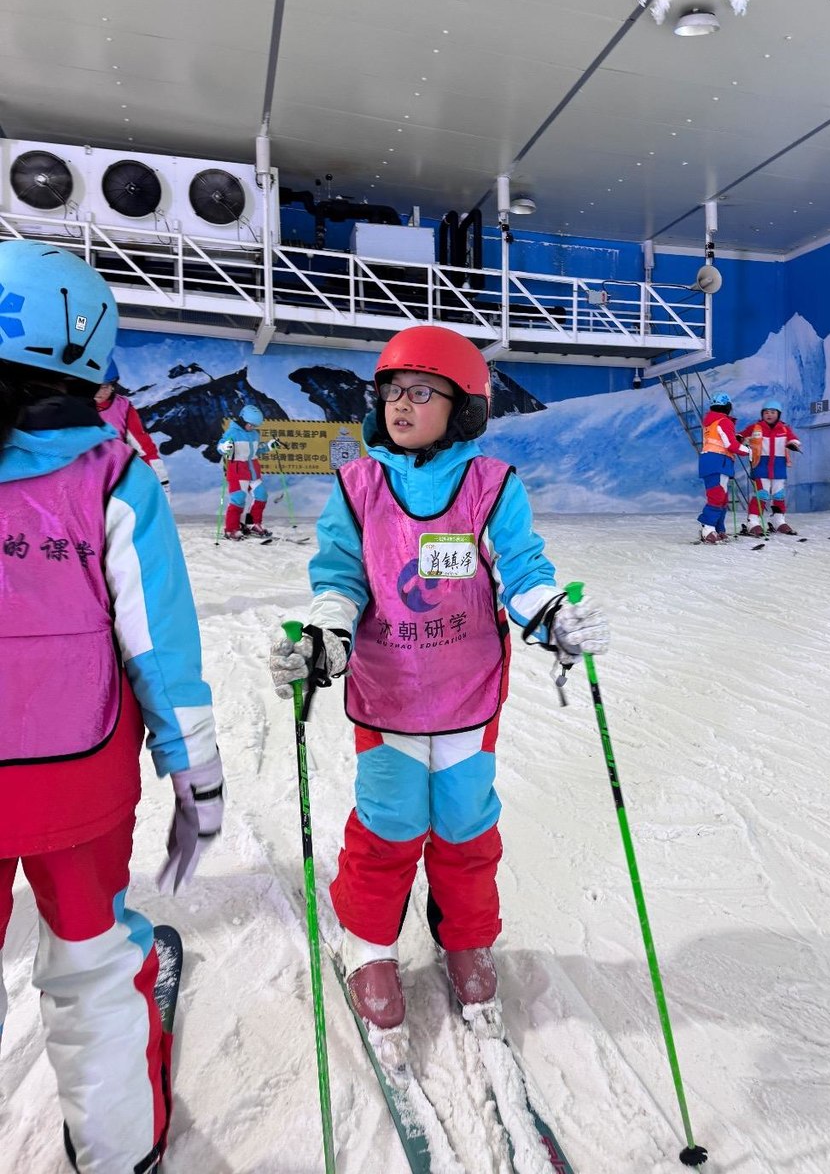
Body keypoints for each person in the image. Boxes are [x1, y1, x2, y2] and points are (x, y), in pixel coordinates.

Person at [268, 326, 609, 1035]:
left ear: (464, 408)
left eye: (422, 392)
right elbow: (340, 578)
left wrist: (553, 615)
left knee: (465, 824)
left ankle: (467, 938)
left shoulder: (491, 487)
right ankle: (370, 945)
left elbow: (522, 568)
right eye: (392, 390)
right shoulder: (359, 487)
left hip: (465, 696)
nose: (400, 403)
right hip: (388, 695)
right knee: (388, 824)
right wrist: (326, 634)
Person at [0, 240, 224, 1173]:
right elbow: (158, 641)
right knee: (92, 964)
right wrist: (197, 774)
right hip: (74, 780)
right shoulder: (109, 473)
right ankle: (121, 1148)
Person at [95, 357, 171, 498]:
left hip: (111, 479)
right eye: (93, 385)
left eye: (104, 386)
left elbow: (145, 448)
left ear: (113, 386)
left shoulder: (122, 408)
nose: (99, 391)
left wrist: (161, 484)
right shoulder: (70, 405)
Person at [739, 399, 802, 535]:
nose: (769, 415)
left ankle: (778, 521)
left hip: (779, 467)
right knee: (762, 494)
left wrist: (793, 444)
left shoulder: (784, 428)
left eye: (773, 412)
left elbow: (794, 439)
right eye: (766, 412)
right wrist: (742, 440)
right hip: (761, 465)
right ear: (762, 414)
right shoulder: (755, 427)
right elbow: (740, 436)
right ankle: (753, 522)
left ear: (778, 414)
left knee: (779, 495)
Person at [217, 405, 279, 541]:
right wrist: (225, 447)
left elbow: (256, 451)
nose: (252, 427)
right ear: (242, 420)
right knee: (238, 499)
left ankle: (252, 524)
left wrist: (269, 446)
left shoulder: (254, 434)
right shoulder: (232, 432)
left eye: (255, 426)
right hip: (238, 471)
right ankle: (231, 529)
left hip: (253, 471)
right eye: (250, 425)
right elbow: (220, 447)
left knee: (261, 495)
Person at [697, 389, 751, 544]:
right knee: (717, 496)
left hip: (712, 462)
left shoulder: (711, 422)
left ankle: (718, 528)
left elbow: (723, 440)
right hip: (718, 462)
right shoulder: (724, 421)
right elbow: (730, 445)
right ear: (728, 407)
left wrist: (736, 439)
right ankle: (708, 528)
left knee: (721, 497)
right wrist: (748, 451)